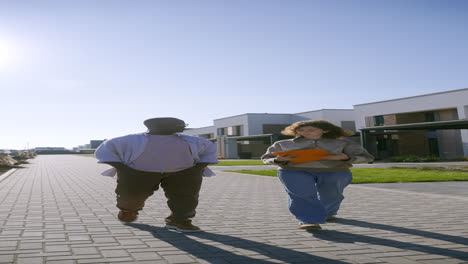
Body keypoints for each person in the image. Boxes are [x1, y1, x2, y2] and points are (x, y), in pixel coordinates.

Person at [95, 117, 218, 232]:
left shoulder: (193, 140)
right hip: (138, 172)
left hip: (183, 172)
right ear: (153, 126)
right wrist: (122, 168)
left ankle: (179, 220)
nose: (179, 127)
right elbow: (103, 151)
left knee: (186, 197)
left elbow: (209, 151)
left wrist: (197, 168)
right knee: (131, 195)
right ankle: (128, 210)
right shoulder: (129, 139)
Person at [261, 120, 374, 231]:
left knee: (332, 195)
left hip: (335, 171)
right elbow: (266, 158)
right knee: (301, 195)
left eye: (311, 130)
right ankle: (308, 220)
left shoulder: (343, 143)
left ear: (325, 130)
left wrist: (346, 158)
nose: (305, 132)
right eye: (301, 130)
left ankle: (327, 212)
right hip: (293, 171)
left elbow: (367, 157)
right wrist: (277, 160)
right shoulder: (283, 144)